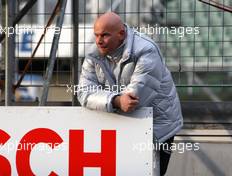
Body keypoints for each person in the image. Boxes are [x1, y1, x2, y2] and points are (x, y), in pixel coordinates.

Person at [77, 12, 183, 176]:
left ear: (121, 34)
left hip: (157, 128)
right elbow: (84, 92)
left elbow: (134, 101)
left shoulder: (146, 50)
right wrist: (115, 100)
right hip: (118, 124)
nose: (99, 40)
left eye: (105, 35)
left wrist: (109, 100)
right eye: (96, 35)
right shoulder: (93, 52)